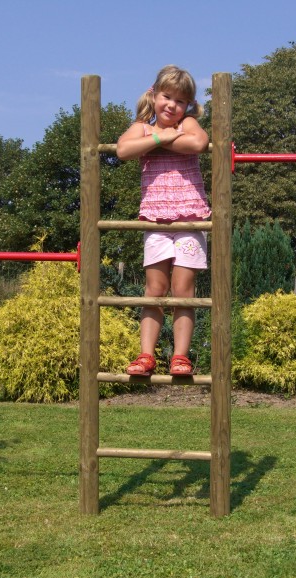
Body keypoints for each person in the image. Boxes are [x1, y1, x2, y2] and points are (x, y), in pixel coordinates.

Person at [116, 65, 210, 376]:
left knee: (184, 289)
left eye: (180, 101)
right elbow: (123, 149)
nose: (172, 105)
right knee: (154, 288)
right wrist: (161, 136)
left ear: (188, 105)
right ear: (153, 96)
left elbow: (197, 144)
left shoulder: (190, 124)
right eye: (166, 97)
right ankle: (146, 355)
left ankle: (180, 356)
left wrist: (160, 139)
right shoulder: (141, 128)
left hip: (190, 219)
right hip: (156, 220)